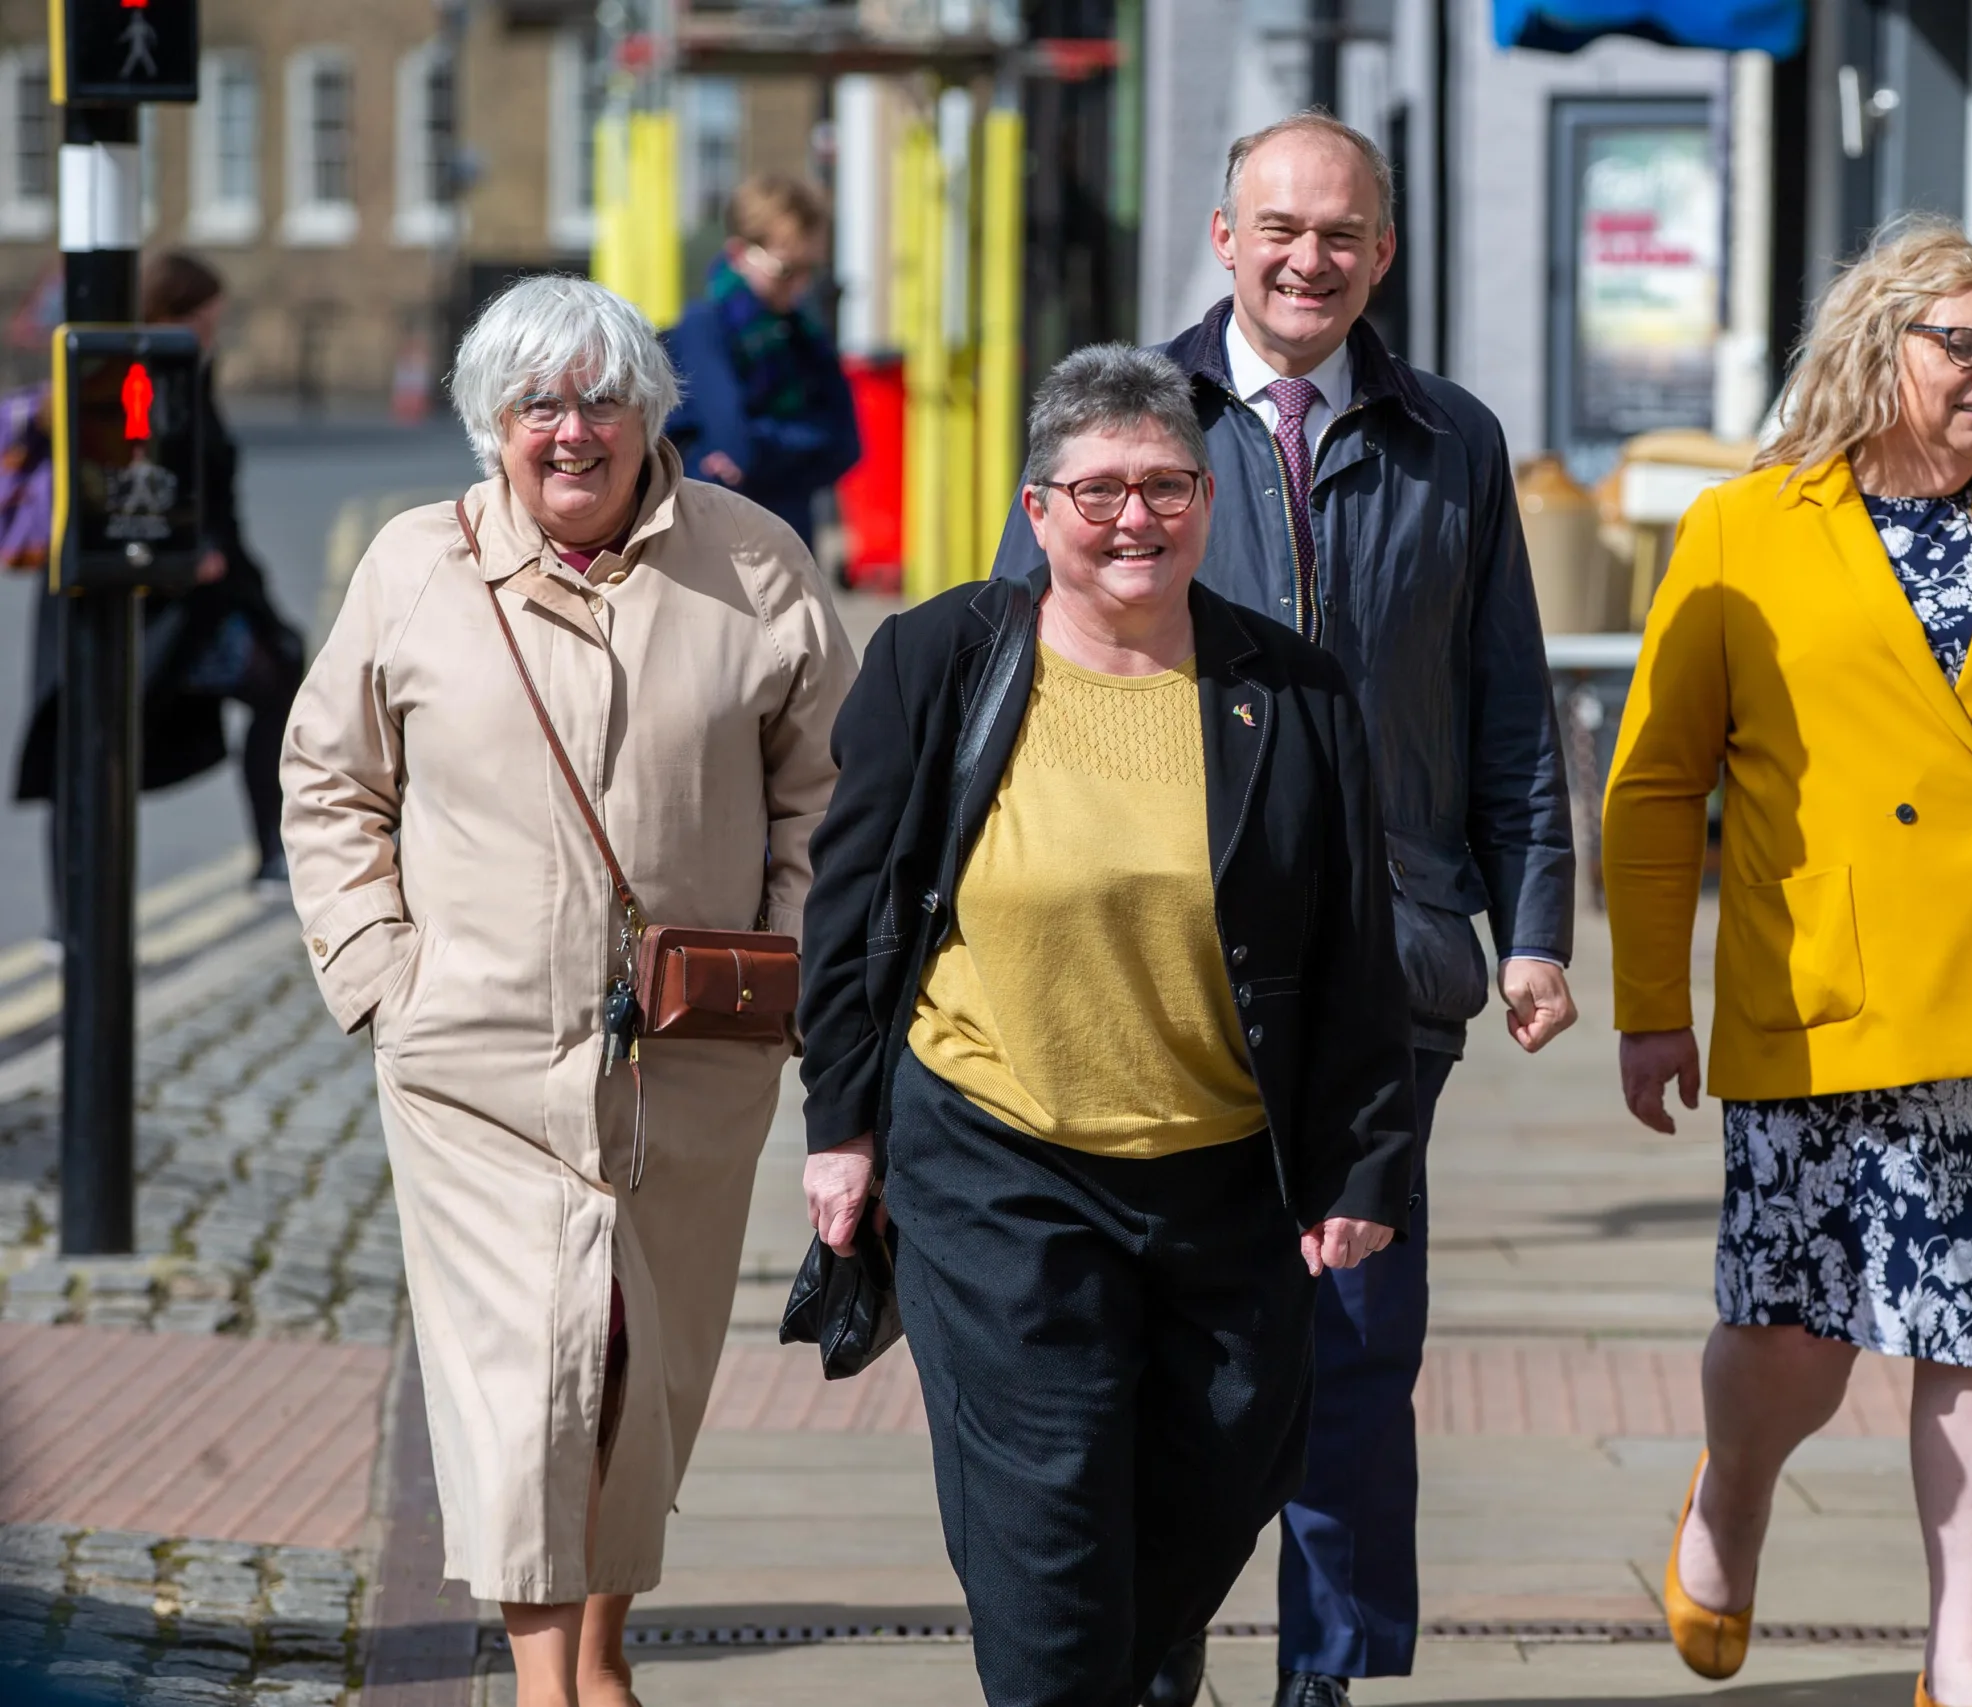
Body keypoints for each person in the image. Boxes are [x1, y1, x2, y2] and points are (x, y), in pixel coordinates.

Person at [989, 111, 1577, 1707]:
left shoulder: (1449, 435)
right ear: (1222, 237)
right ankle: (1159, 1650)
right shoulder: (1124, 416)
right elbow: (1006, 680)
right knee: (1180, 1347)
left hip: (1387, 960)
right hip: (1158, 954)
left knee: (1352, 1338)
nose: (1309, 259)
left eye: (1342, 233)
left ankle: (1326, 1676)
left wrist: (1532, 923)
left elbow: (1505, 703)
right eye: (1280, 228)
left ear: (1382, 253)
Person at [1604, 217, 1972, 1707]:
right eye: (1964, 344)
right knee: (1793, 1337)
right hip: (1820, 992)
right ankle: (1731, 1497)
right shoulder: (1747, 525)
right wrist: (1651, 1007)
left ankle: (1965, 1648)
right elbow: (1659, 782)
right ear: (1879, 344)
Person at [798, 344, 1419, 1707]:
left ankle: (1128, 1664)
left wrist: (1365, 1161)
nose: (1136, 517)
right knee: (1049, 1508)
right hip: (999, 1154)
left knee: (1229, 1462)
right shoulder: (942, 656)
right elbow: (853, 906)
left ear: (1207, 501)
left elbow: (1355, 951)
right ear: (1038, 510)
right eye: (1100, 491)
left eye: (1168, 486)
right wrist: (841, 1125)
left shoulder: (1295, 691)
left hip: (1224, 1163)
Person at [279, 276, 855, 1707]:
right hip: (471, 1056)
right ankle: (555, 1682)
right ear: (492, 425)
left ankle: (601, 1648)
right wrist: (381, 975)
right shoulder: (419, 565)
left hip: (695, 1054)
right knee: (523, 1368)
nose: (572, 431)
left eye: (600, 399)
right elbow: (330, 777)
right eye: (537, 403)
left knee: (641, 1360)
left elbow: (833, 794)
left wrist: (780, 958)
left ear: (649, 413)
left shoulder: (752, 560)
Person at [13, 249, 306, 898]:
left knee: (280, 674)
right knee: (86, 743)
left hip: (196, 602)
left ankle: (271, 853)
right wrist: (180, 543)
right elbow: (116, 480)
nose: (212, 335)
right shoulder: (125, 375)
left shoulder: (186, 374)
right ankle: (76, 923)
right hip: (126, 600)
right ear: (169, 313)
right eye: (206, 320)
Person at [662, 172, 861, 548]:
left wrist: (761, 446)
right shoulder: (703, 329)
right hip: (714, 544)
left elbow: (846, 445)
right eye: (787, 270)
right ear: (740, 254)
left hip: (789, 537)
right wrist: (800, 446)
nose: (800, 286)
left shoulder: (804, 335)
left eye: (811, 270)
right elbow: (736, 441)